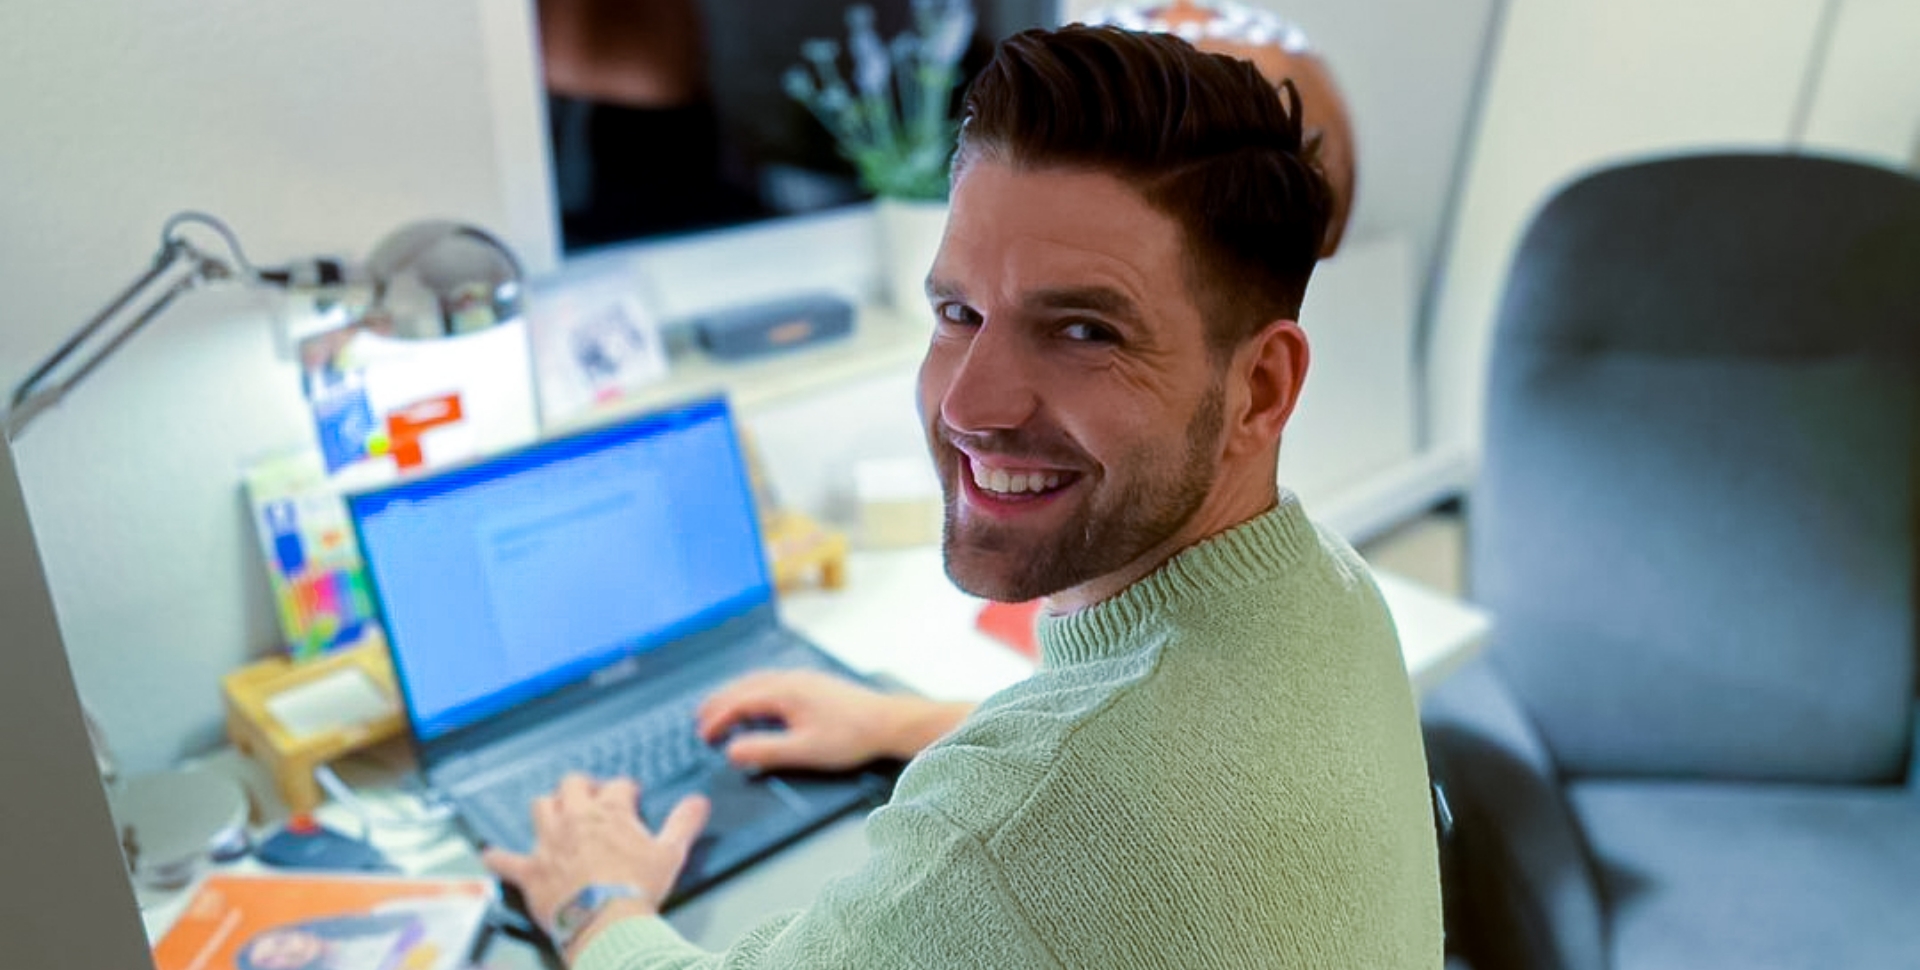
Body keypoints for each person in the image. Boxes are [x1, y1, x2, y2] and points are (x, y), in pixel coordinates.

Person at [485, 24, 1443, 969]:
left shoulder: (1017, 842)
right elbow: (1139, 762)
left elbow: (1070, 809)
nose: (970, 404)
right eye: (958, 313)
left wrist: (595, 899)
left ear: (1262, 390)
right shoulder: (1332, 593)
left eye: (1082, 332)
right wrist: (898, 723)